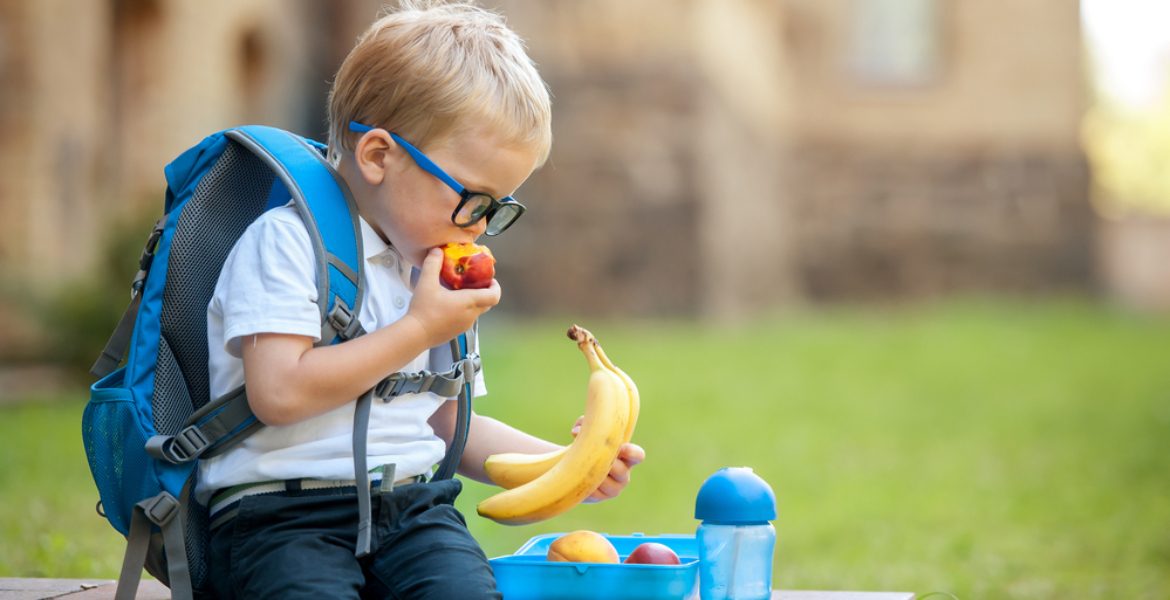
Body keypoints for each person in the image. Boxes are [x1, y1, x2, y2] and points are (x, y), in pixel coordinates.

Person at [196, 2, 645, 598]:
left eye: (496, 208)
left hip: (411, 511)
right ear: (379, 156)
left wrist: (571, 466)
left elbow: (446, 421)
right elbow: (277, 392)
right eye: (472, 199)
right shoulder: (286, 244)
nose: (479, 227)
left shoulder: (433, 270)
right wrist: (417, 330)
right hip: (281, 515)